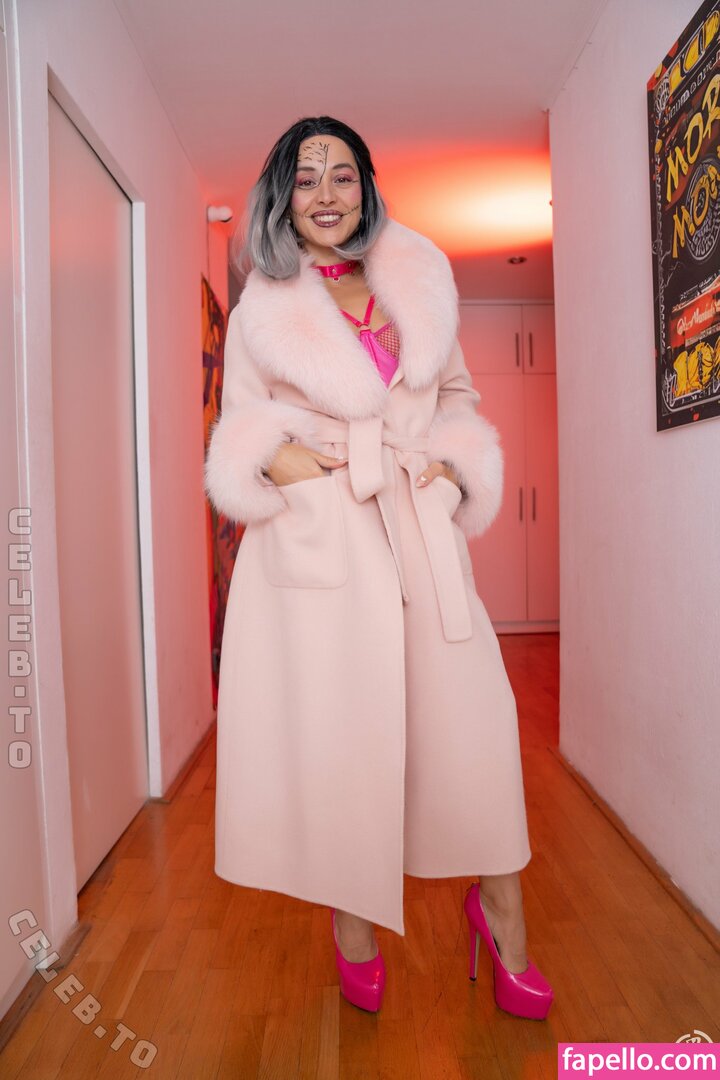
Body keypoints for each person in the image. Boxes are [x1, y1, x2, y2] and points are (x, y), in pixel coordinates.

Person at [204, 115, 553, 1019]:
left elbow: (459, 397)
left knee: (474, 728)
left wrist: (451, 470)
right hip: (326, 533)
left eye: (343, 176)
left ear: (367, 188)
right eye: (306, 177)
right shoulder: (263, 307)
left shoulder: (418, 279)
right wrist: (289, 466)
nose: (326, 195)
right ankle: (352, 921)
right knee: (346, 738)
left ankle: (502, 917)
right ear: (283, 197)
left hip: (418, 526)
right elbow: (239, 423)